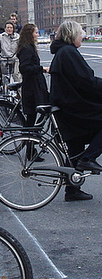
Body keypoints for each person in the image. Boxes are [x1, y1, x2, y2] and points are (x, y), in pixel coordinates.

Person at [50, 20, 102, 201]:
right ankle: (88, 159)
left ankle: (72, 190)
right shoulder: (69, 52)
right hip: (73, 107)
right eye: (80, 33)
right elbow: (86, 81)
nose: (83, 36)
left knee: (75, 147)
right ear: (72, 35)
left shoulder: (62, 52)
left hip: (67, 107)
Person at [17, 23, 49, 128]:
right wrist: (42, 69)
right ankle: (31, 137)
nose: (38, 35)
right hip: (32, 86)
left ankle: (32, 136)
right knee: (35, 114)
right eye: (36, 32)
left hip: (34, 84)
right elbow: (24, 68)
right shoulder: (26, 48)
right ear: (29, 34)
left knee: (35, 114)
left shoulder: (29, 47)